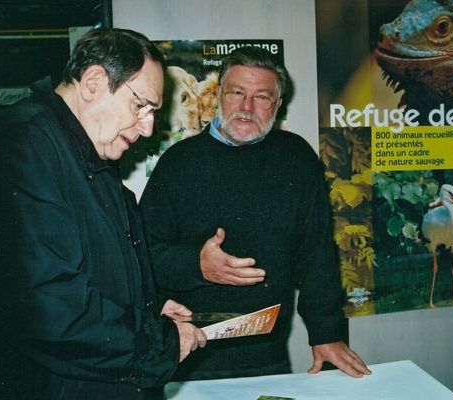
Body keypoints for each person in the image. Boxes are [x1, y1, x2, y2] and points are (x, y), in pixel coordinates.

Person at [0, 28, 206, 400]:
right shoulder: (23, 144)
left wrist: (152, 309)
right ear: (94, 82)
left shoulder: (86, 154)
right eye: (142, 106)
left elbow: (97, 272)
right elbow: (49, 308)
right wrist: (159, 341)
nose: (147, 128)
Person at [140, 46, 371, 381]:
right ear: (218, 94)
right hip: (188, 355)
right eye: (236, 92)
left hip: (267, 358)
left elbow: (317, 252)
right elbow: (141, 256)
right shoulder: (178, 163)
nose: (246, 107)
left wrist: (326, 333)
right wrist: (197, 265)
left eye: (262, 97)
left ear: (277, 105)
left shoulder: (297, 158)